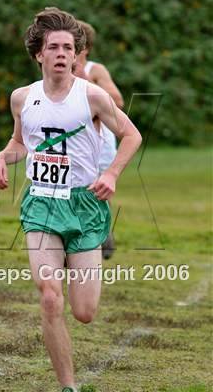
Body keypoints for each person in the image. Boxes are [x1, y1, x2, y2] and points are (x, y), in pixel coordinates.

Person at [0, 7, 142, 392]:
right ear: (39, 54)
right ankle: (68, 387)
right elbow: (20, 144)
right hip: (41, 204)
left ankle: (78, 262)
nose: (60, 53)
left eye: (67, 47)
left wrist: (110, 173)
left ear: (76, 55)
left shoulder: (92, 96)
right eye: (53, 46)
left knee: (85, 312)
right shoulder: (22, 98)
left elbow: (132, 135)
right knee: (49, 297)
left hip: (85, 206)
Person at [74, 20, 125, 260]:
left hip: (100, 145)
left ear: (87, 48)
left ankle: (101, 235)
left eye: (78, 42)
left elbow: (118, 101)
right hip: (71, 144)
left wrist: (86, 81)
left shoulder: (96, 70)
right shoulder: (59, 67)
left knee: (94, 192)